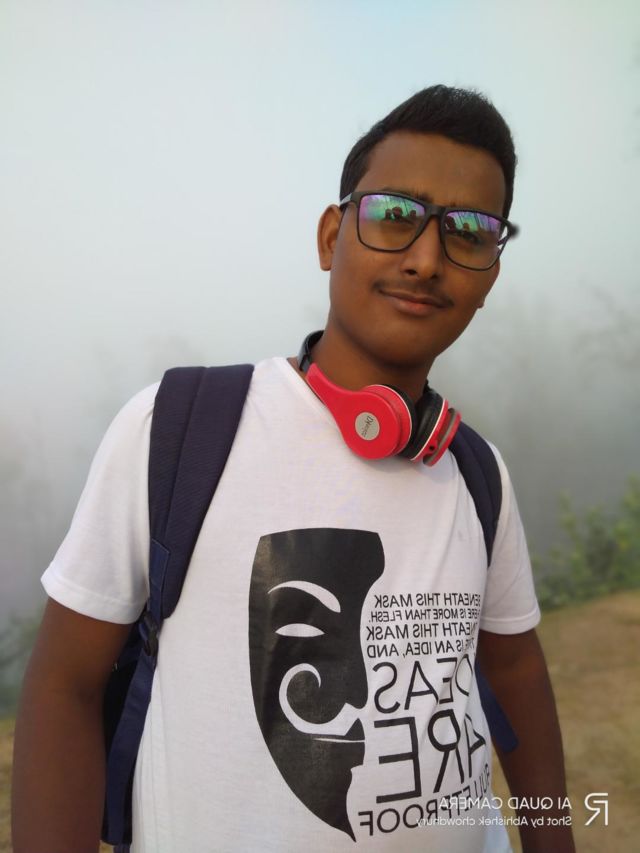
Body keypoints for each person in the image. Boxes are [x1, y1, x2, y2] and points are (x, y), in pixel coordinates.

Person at [12, 85, 575, 852]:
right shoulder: (176, 429)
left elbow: (514, 672)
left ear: (491, 274)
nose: (425, 259)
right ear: (330, 237)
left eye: (469, 232)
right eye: (395, 215)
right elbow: (64, 686)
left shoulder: (477, 471)